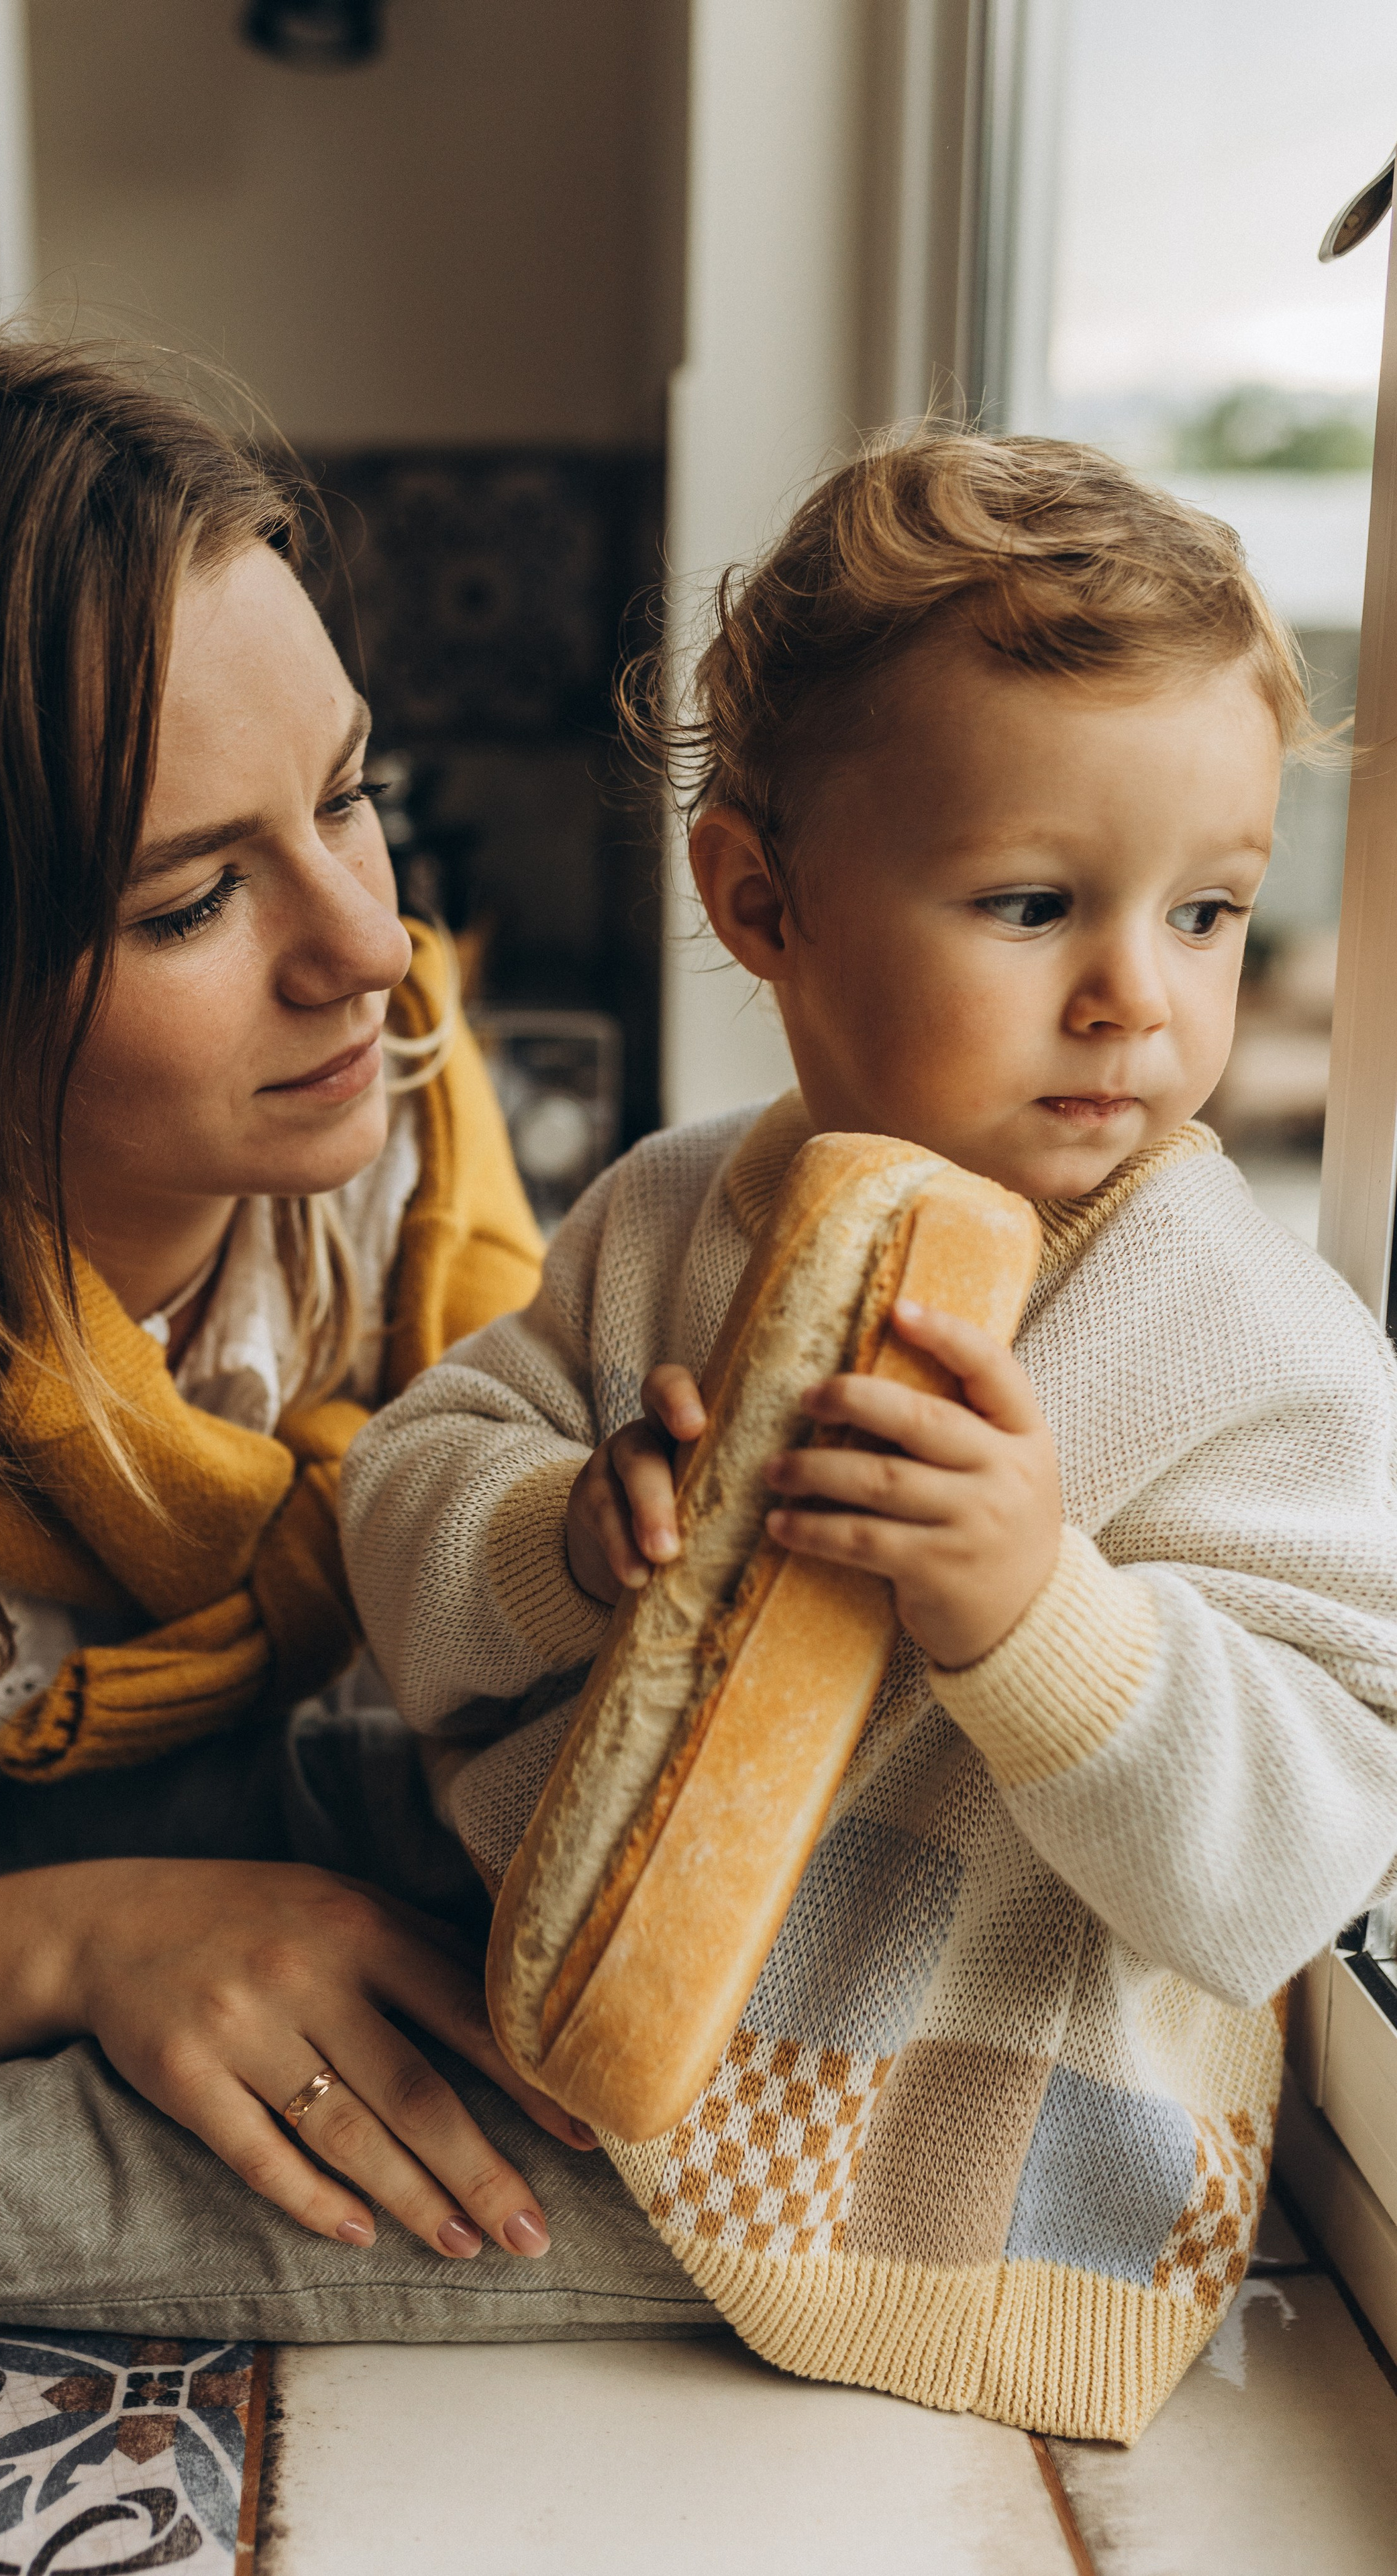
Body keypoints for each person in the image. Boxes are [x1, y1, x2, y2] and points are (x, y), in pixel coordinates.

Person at [340, 429, 1397, 2442]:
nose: (1134, 1003)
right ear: (759, 899)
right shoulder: (669, 1214)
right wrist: (564, 1534)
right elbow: (400, 1497)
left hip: (895, 2139)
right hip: (541, 1939)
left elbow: (1299, 1855)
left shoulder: (1251, 1337)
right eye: (1032, 903)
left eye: (1206, 914)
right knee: (180, 1842)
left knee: (148, 2177)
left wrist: (1034, 1612)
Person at [0, 337, 717, 2348]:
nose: (365, 951)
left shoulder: (407, 1171)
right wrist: (80, 1935)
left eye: (351, 797)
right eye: (186, 905)